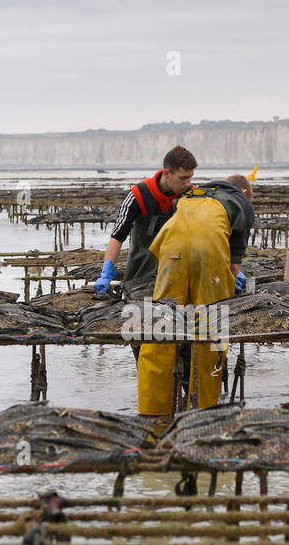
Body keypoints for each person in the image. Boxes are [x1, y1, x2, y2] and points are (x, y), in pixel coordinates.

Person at [136, 175, 254, 416]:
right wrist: (229, 285)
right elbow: (233, 265)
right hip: (209, 251)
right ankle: (204, 409)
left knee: (162, 325)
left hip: (171, 249)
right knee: (210, 328)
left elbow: (171, 240)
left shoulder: (192, 193)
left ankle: (152, 413)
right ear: (243, 190)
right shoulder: (243, 203)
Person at [94, 146, 197, 294]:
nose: (188, 183)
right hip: (140, 269)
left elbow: (205, 232)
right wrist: (106, 272)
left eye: (190, 177)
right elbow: (118, 235)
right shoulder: (138, 195)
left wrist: (231, 263)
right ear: (167, 173)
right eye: (183, 178)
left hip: (177, 269)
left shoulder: (191, 195)